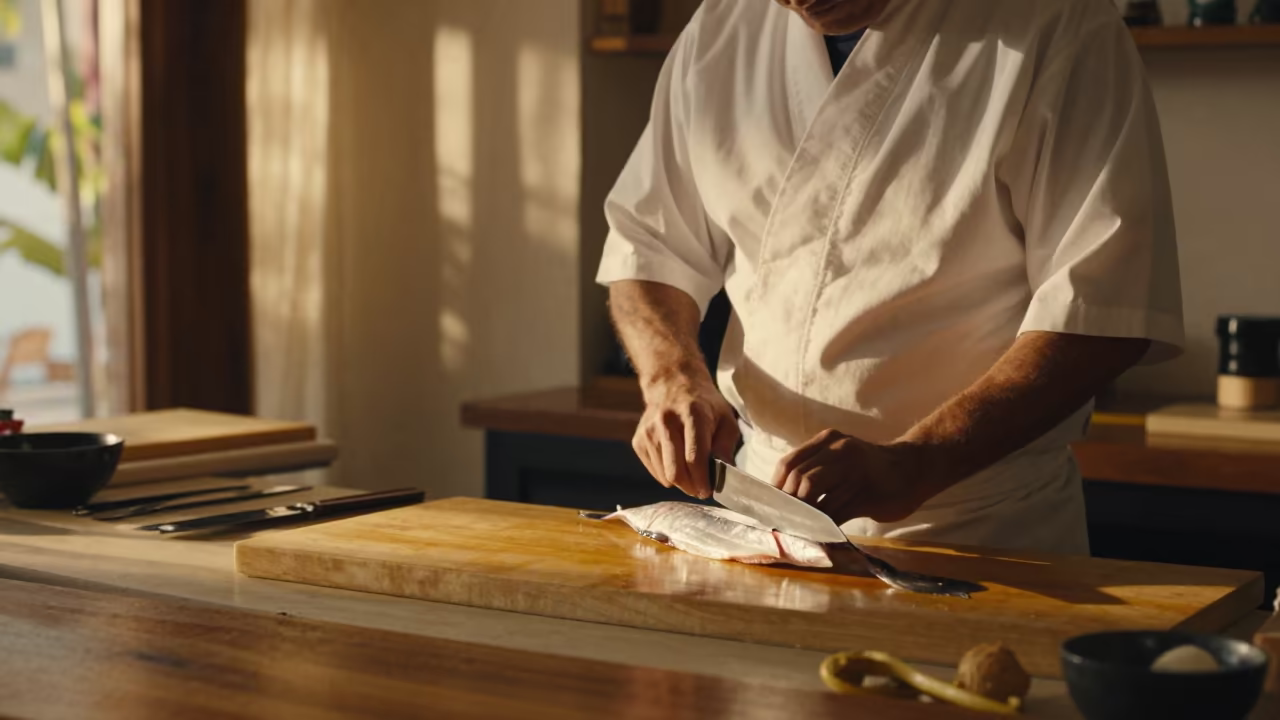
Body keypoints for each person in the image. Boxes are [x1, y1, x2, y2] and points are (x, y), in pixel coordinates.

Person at [596, 0, 1184, 555]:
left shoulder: (1057, 23)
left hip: (980, 526)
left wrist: (920, 461)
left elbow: (1102, 308)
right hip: (763, 514)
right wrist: (671, 377)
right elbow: (649, 243)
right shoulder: (722, 28)